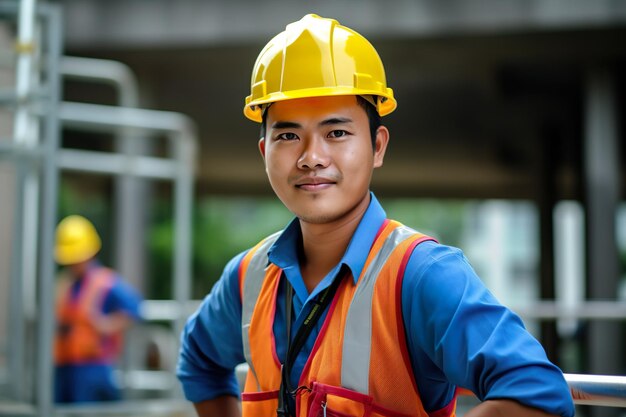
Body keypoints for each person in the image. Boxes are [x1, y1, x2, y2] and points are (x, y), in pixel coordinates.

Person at [177, 14, 575, 417]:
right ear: (265, 152)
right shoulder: (250, 278)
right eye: (288, 135)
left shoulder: (421, 275)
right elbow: (198, 360)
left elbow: (537, 391)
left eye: (336, 133)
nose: (311, 157)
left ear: (377, 146)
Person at [54, 214, 143, 403]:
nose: (73, 263)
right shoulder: (67, 283)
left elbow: (136, 308)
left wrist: (105, 325)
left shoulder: (106, 283)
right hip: (64, 367)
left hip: (93, 368)